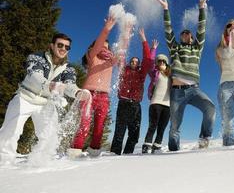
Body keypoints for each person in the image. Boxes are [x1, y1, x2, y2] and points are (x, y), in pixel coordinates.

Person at [0, 33, 90, 165]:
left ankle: (40, 163)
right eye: (60, 45)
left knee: (49, 137)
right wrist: (50, 85)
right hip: (25, 97)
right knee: (11, 131)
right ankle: (3, 162)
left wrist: (77, 93)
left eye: (67, 47)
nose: (63, 49)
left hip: (46, 103)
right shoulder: (36, 57)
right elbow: (34, 76)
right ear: (52, 46)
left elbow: (69, 84)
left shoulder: (69, 68)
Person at [157, 0, 216, 151]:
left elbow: (201, 29)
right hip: (177, 92)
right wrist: (165, 9)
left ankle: (204, 139)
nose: (184, 34)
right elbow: (168, 31)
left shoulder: (197, 48)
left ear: (191, 37)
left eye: (187, 34)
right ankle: (173, 151)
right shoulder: (174, 48)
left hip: (194, 90)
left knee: (210, 108)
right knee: (175, 126)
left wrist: (202, 8)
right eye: (182, 33)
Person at [68, 16, 132, 158]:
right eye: (102, 46)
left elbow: (121, 50)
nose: (104, 49)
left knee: (99, 128)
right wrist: (107, 29)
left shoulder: (110, 62)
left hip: (104, 97)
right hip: (88, 95)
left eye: (107, 48)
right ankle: (75, 152)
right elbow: (98, 45)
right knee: (84, 123)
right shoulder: (92, 57)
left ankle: (94, 153)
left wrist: (126, 33)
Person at [110, 29, 153, 155]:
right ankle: (114, 154)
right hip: (123, 103)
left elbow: (148, 59)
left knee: (134, 134)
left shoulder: (141, 74)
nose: (134, 63)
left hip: (135, 105)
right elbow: (122, 53)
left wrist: (143, 40)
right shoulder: (124, 70)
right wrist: (126, 36)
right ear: (129, 63)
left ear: (139, 64)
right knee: (119, 132)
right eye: (132, 61)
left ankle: (127, 156)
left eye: (136, 62)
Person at [142, 45, 171, 154]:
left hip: (167, 105)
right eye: (159, 61)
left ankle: (156, 147)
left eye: (164, 61)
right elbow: (150, 62)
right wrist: (153, 49)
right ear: (157, 63)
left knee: (162, 127)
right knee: (153, 126)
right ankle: (146, 146)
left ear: (166, 63)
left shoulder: (171, 76)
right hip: (155, 103)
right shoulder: (154, 73)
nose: (162, 62)